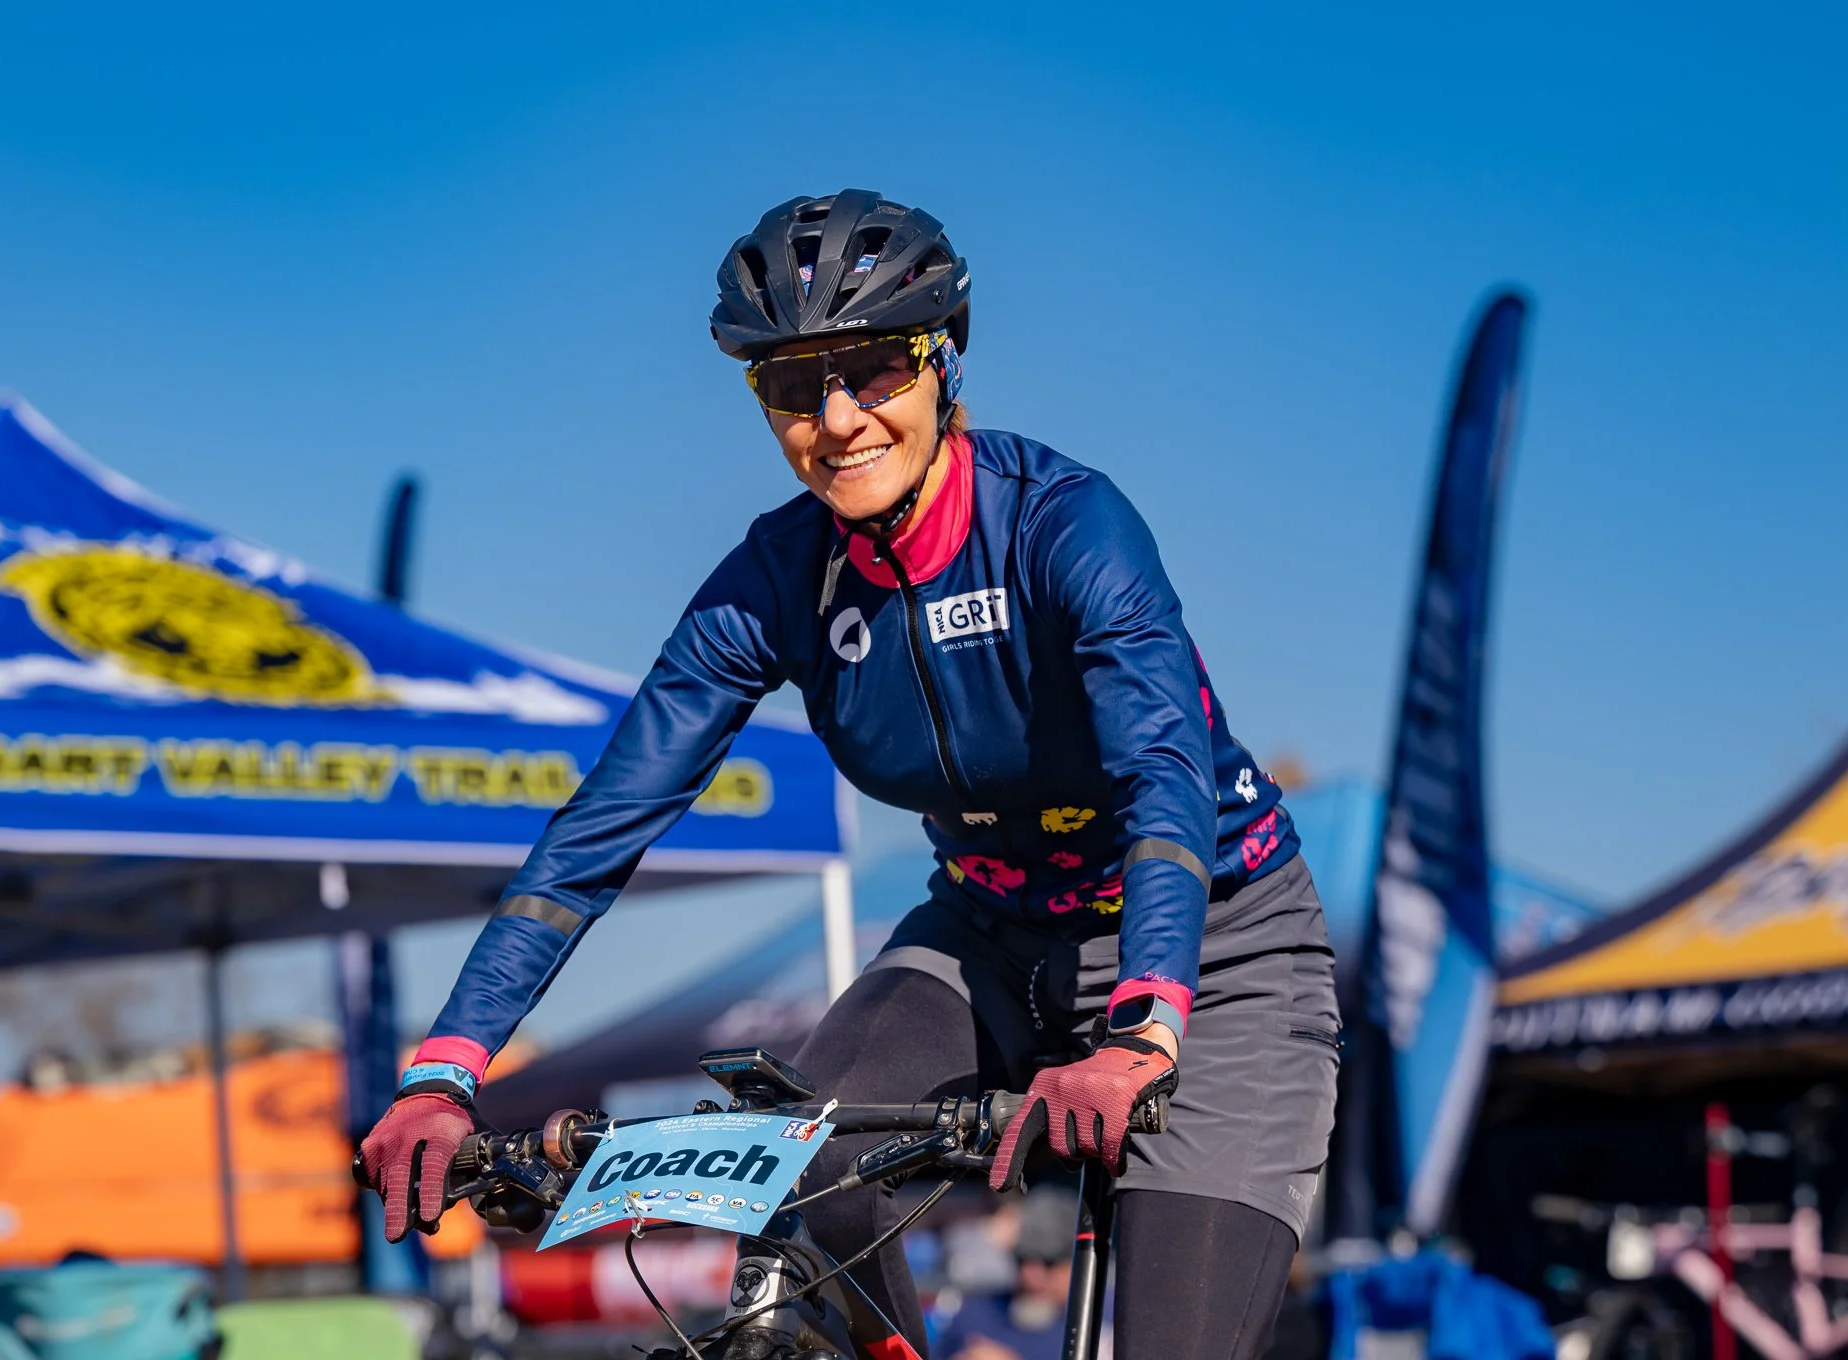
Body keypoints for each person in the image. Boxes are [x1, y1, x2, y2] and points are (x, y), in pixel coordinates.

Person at [360, 189, 1341, 1360]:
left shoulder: (1065, 526)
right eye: (790, 385)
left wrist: (1142, 1028)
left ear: (941, 363)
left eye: (873, 369)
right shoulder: (777, 576)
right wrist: (444, 1066)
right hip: (985, 934)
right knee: (791, 1154)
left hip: (1215, 953)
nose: (837, 418)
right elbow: (598, 832)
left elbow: (1163, 783)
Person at [936, 1187, 1094, 1360]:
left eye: (1048, 1263)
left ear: (1077, 1265)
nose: (1030, 1276)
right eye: (1021, 1260)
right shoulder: (974, 1317)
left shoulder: (1100, 1328)